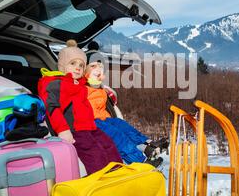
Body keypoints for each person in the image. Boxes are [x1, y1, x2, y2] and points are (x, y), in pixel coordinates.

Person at [38, 40, 122, 175]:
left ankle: (118, 174)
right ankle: (100, 180)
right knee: (95, 153)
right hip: (75, 130)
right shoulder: (55, 84)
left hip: (90, 127)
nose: (78, 68)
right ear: (62, 66)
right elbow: (52, 108)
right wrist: (63, 130)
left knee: (108, 145)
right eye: (73, 63)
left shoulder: (80, 85)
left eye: (81, 65)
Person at [85, 53, 168, 168]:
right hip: (92, 121)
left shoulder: (100, 88)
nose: (97, 73)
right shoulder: (81, 88)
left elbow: (108, 96)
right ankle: (140, 160)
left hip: (104, 118)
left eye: (99, 71)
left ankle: (147, 145)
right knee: (117, 135)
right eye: (93, 68)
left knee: (122, 125)